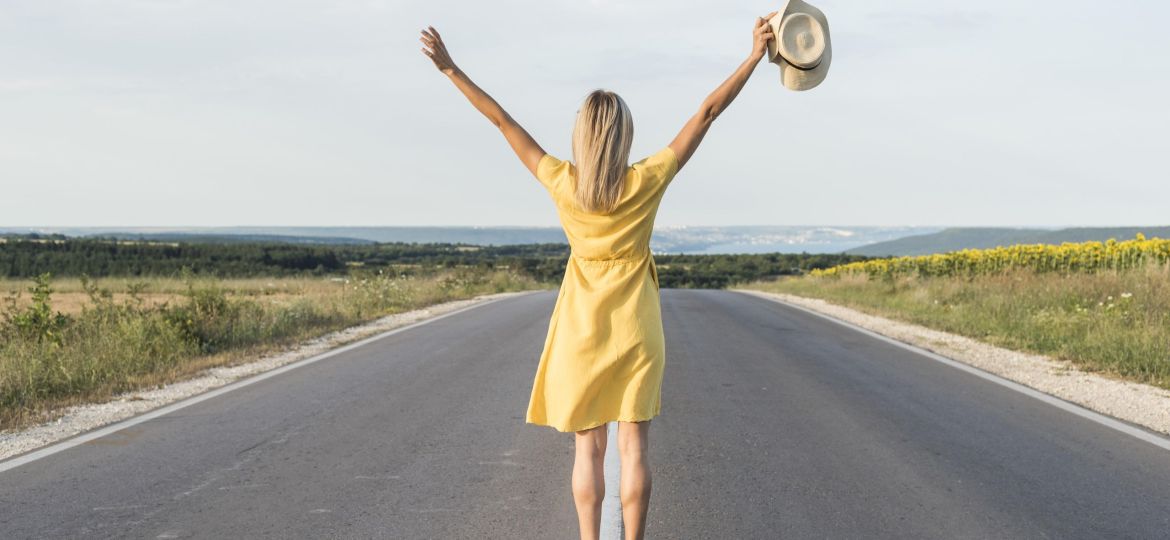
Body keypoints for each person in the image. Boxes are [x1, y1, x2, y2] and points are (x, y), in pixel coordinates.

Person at [420, 13, 775, 539]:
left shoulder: (563, 183)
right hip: (636, 330)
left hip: (581, 331)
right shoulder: (646, 181)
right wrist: (752, 58)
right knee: (635, 448)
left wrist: (450, 69)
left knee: (588, 449)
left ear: (582, 138)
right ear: (624, 135)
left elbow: (502, 121)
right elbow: (706, 113)